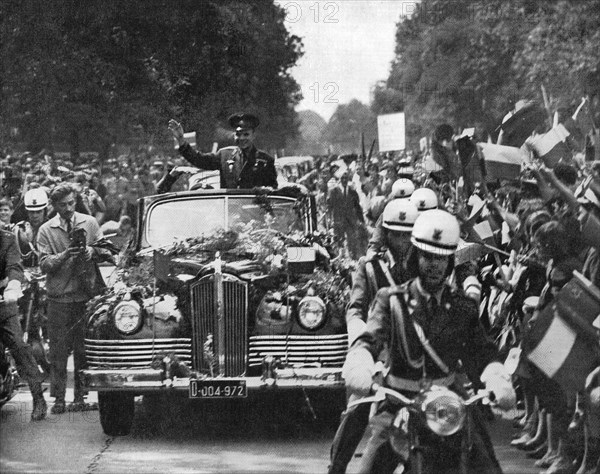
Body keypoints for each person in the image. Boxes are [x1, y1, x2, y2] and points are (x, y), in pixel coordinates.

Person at [343, 209, 516, 473]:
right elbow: (369, 339)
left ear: (450, 262)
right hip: (398, 403)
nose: (434, 265)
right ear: (416, 257)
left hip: (447, 406)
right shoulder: (391, 300)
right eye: (427, 256)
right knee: (369, 467)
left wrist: (496, 377)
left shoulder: (462, 307)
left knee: (488, 465)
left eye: (442, 258)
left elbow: (483, 352)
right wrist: (360, 363)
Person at [329, 199, 419, 474]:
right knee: (359, 406)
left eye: (408, 234)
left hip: (418, 348)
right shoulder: (370, 267)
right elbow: (355, 308)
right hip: (379, 346)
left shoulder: (425, 263)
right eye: (396, 233)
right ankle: (337, 465)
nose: (402, 240)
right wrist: (360, 348)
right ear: (386, 234)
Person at [37, 184, 107, 413]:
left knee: (83, 349)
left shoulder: (89, 222)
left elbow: (106, 250)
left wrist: (92, 252)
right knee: (58, 350)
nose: (68, 209)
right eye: (63, 205)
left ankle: (81, 396)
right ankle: (58, 399)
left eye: (71, 203)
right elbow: (45, 264)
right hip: (59, 298)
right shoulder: (47, 230)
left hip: (85, 295)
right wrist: (66, 254)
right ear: (54, 206)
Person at [0, 229, 47, 421]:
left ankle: (38, 397)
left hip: (3, 302)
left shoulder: (7, 239)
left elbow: (14, 267)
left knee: (19, 345)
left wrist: (12, 287)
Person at [168, 113, 278, 189]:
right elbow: (199, 160)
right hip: (229, 214)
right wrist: (181, 139)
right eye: (238, 134)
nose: (242, 138)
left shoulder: (265, 161)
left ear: (253, 135)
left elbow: (272, 192)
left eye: (246, 134)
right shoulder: (224, 155)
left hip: (253, 216)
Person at [327, 172, 366, 259]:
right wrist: (330, 220)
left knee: (352, 240)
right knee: (339, 242)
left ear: (348, 179)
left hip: (350, 221)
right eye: (342, 178)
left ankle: (353, 259)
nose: (344, 180)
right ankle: (341, 260)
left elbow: (358, 207)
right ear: (339, 179)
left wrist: (361, 220)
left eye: (346, 178)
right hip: (338, 221)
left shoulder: (353, 192)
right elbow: (329, 208)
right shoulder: (333, 191)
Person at [12, 188, 49, 267]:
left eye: (39, 212)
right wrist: (25, 243)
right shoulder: (19, 229)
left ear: (45, 211)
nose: (35, 216)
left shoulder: (51, 229)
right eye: (31, 212)